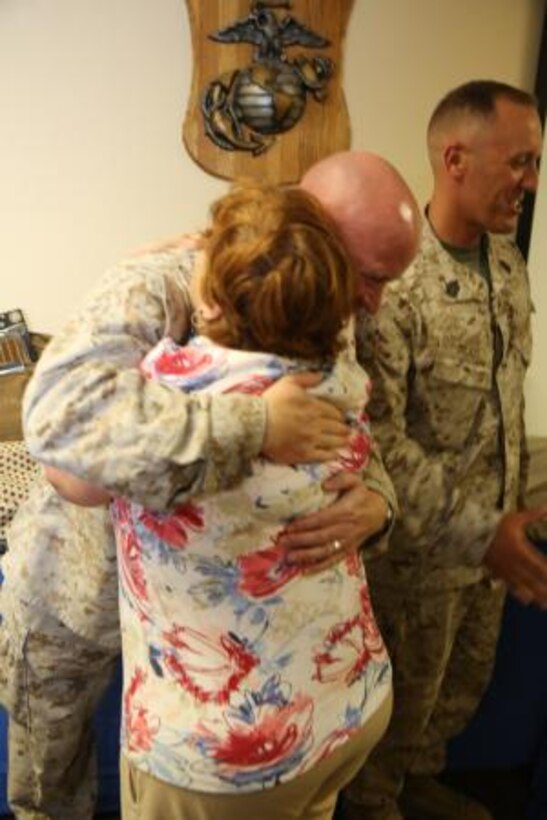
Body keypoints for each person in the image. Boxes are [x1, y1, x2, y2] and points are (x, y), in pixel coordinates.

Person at [0, 149, 420, 820]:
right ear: (310, 226)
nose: (373, 302)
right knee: (49, 791)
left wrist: (378, 502)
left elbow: (368, 427)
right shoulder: (167, 283)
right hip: (76, 587)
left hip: (217, 646)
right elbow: (60, 426)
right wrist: (255, 422)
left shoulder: (328, 297)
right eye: (369, 275)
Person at [343, 80, 546, 820]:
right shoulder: (392, 279)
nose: (529, 181)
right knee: (396, 707)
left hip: (486, 553)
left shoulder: (505, 264)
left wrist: (511, 517)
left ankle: (415, 783)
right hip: (418, 559)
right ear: (455, 158)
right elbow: (378, 439)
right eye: (519, 162)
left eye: (535, 163)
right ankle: (374, 806)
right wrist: (479, 532)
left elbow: (502, 403)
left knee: (455, 696)